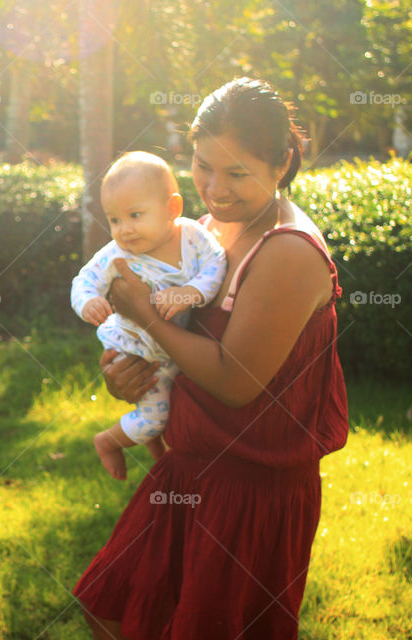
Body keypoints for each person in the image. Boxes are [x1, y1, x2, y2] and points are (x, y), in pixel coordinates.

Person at [74, 77, 349, 640]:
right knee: (114, 610)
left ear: (281, 164)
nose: (215, 189)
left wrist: (147, 314)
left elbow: (234, 380)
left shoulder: (289, 252)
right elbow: (172, 348)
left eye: (237, 173)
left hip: (251, 492)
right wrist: (127, 373)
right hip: (190, 468)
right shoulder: (200, 233)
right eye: (203, 166)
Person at [70, 151, 226, 479]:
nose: (124, 230)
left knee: (168, 413)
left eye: (135, 215)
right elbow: (84, 280)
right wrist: (87, 303)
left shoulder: (193, 238)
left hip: (175, 352)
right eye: (114, 220)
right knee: (154, 415)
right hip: (136, 350)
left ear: (172, 208)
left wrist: (191, 292)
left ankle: (153, 443)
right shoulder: (116, 254)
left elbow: (217, 262)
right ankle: (108, 441)